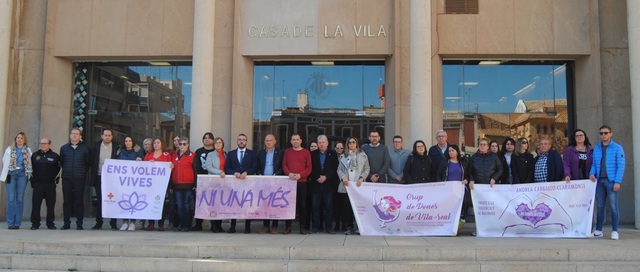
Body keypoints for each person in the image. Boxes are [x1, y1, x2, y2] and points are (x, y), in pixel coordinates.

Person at [589, 125, 625, 240]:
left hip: (611, 181)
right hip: (600, 181)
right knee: (599, 207)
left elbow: (621, 166)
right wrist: (591, 173)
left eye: (605, 133)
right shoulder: (597, 148)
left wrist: (617, 181)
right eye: (601, 133)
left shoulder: (617, 148)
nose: (603, 135)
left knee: (613, 207)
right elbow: (594, 164)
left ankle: (615, 231)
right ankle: (599, 230)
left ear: (611, 134)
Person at [225, 133, 258, 233]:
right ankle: (232, 226)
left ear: (246, 141)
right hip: (234, 183)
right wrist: (233, 172)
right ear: (237, 141)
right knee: (234, 204)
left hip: (247, 183)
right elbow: (227, 168)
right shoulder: (231, 154)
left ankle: (247, 226)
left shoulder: (252, 154)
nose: (241, 141)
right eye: (239, 139)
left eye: (243, 139)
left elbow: (254, 167)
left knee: (247, 204)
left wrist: (247, 172)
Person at [59, 128, 91, 230]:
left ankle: (79, 223)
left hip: (79, 178)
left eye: (77, 134)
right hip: (67, 178)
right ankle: (66, 223)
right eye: (73, 133)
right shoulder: (64, 148)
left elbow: (87, 164)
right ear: (70, 135)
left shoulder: (85, 149)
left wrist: (81, 173)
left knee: (79, 201)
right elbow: (62, 162)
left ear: (80, 136)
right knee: (67, 201)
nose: (74, 135)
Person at [337, 136, 369, 235]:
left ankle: (359, 227)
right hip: (347, 186)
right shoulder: (343, 156)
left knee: (359, 208)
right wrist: (343, 177)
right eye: (349, 142)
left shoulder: (363, 155)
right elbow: (339, 170)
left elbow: (367, 169)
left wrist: (362, 178)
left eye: (353, 142)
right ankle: (349, 227)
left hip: (358, 186)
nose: (351, 144)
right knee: (347, 208)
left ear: (357, 144)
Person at [1, 132, 33, 229]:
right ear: (15, 139)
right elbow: (4, 161)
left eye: (21, 138)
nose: (19, 140)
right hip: (11, 174)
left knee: (19, 199)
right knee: (10, 199)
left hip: (22, 175)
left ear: (24, 140)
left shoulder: (28, 150)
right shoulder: (10, 149)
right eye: (18, 138)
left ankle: (17, 223)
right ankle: (10, 222)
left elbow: (30, 163)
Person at [282, 133, 312, 234]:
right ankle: (288, 227)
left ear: (301, 141)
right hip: (289, 182)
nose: (295, 141)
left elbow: (309, 168)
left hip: (302, 182)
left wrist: (301, 175)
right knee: (288, 205)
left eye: (297, 139)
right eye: (293, 139)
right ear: (291, 141)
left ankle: (302, 227)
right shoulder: (287, 152)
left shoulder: (306, 152)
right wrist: (289, 173)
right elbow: (284, 165)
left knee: (302, 205)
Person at [90, 129, 120, 230]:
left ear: (112, 137)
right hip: (99, 177)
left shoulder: (117, 147)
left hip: (112, 179)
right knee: (100, 200)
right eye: (105, 135)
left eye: (109, 135)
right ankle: (99, 222)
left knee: (113, 200)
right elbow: (91, 161)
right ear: (102, 136)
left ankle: (113, 223)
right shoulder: (95, 146)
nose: (107, 137)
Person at [309, 135, 339, 234]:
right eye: (320, 142)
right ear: (317, 144)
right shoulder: (312, 154)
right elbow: (310, 168)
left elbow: (335, 169)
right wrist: (317, 177)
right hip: (316, 184)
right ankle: (315, 227)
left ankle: (329, 227)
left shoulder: (333, 154)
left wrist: (326, 177)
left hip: (328, 184)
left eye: (323, 142)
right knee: (315, 207)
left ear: (327, 143)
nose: (321, 144)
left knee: (329, 207)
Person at [255, 134, 284, 234]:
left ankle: (275, 226)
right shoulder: (261, 153)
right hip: (264, 182)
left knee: (275, 203)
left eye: (270, 140)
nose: (268, 142)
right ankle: (266, 226)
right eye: (267, 140)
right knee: (265, 204)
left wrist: (277, 174)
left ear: (275, 141)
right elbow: (257, 165)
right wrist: (259, 174)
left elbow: (283, 166)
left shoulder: (280, 153)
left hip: (276, 181)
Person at [435, 144, 469, 230]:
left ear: (457, 152)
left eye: (452, 150)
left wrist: (466, 180)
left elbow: (468, 175)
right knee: (448, 208)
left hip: (460, 190)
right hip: (448, 190)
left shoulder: (463, 163)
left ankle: (456, 227)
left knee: (458, 209)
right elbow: (438, 174)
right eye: (449, 151)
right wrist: (441, 184)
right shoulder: (445, 162)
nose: (451, 152)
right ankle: (446, 227)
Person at [29, 138, 60, 230]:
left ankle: (50, 224)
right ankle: (35, 224)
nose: (43, 145)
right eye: (41, 143)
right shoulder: (34, 155)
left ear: (49, 144)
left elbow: (58, 169)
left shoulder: (55, 156)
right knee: (36, 205)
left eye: (45, 143)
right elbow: (30, 168)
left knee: (50, 205)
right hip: (38, 184)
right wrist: (33, 181)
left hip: (50, 184)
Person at [144, 138, 173, 231]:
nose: (156, 144)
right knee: (150, 202)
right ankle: (151, 223)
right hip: (150, 184)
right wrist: (148, 164)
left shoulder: (166, 155)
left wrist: (171, 167)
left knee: (162, 203)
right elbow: (143, 169)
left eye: (158, 143)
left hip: (162, 184)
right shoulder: (148, 155)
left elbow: (170, 169)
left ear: (162, 144)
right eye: (154, 143)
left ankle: (161, 224)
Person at [116, 136, 144, 231]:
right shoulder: (119, 151)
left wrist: (140, 160)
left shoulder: (138, 151)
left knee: (133, 201)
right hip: (123, 181)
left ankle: (132, 222)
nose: (128, 143)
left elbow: (143, 163)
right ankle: (124, 222)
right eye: (126, 141)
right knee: (124, 200)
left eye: (130, 141)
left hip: (134, 181)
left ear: (133, 142)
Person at [192, 132, 216, 231]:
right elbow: (195, 167)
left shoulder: (217, 151)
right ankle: (198, 224)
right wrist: (196, 183)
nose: (207, 139)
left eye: (209, 138)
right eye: (205, 138)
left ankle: (214, 224)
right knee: (200, 203)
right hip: (201, 180)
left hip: (214, 181)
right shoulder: (198, 152)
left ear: (213, 140)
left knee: (214, 203)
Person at [171, 136, 196, 232]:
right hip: (177, 185)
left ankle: (187, 225)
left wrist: (195, 185)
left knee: (186, 206)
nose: (182, 146)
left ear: (188, 145)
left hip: (188, 185)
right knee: (180, 206)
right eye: (180, 144)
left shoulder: (192, 155)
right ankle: (181, 225)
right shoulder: (174, 155)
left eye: (184, 144)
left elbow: (195, 170)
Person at [205, 137, 228, 233]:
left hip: (224, 182)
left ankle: (219, 225)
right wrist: (220, 172)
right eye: (216, 143)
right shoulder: (210, 155)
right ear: (213, 145)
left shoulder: (226, 155)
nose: (218, 144)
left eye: (220, 142)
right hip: (214, 181)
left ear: (223, 144)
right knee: (213, 204)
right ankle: (213, 225)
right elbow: (209, 167)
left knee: (221, 204)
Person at [138, 137, 153, 229]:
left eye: (149, 144)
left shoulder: (153, 154)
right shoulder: (140, 154)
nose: (147, 146)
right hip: (142, 183)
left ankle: (151, 222)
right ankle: (142, 221)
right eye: (145, 144)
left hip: (152, 182)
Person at [332, 140, 345, 231]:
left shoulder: (345, 157)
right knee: (335, 205)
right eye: (337, 147)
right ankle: (336, 224)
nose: (339, 149)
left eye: (341, 148)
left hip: (343, 183)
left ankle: (344, 224)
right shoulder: (331, 157)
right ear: (334, 148)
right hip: (333, 183)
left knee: (343, 205)